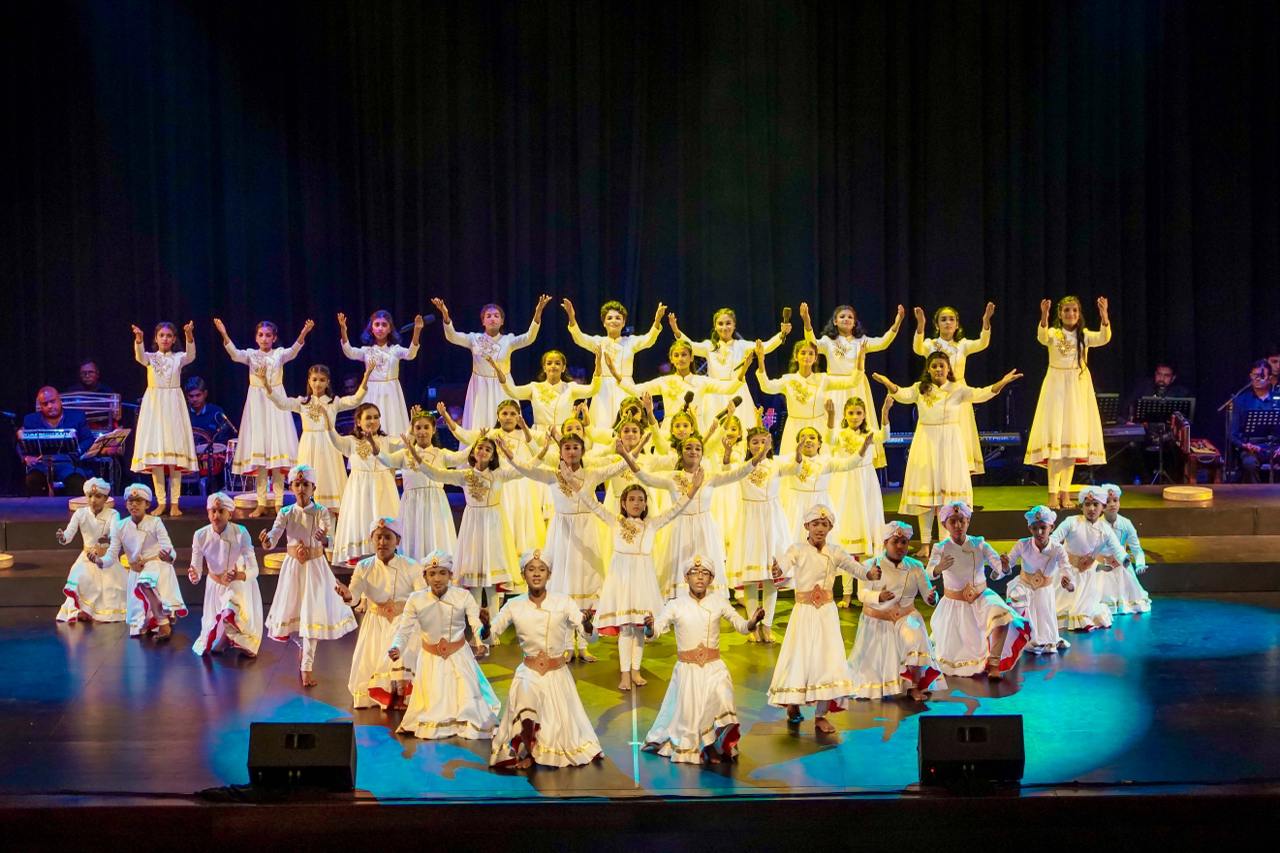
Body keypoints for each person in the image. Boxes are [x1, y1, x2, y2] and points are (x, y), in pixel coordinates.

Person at [872, 352, 1022, 556]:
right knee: (925, 494)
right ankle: (925, 543)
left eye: (941, 366)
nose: (938, 369)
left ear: (948, 368)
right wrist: (888, 383)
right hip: (926, 441)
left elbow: (982, 393)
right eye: (934, 366)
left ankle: (944, 543)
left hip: (950, 444)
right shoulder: (920, 388)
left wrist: (1002, 382)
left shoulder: (957, 389)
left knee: (946, 495)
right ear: (928, 369)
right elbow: (902, 394)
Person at [484, 550, 603, 769]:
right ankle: (527, 752)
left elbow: (591, 636)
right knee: (525, 698)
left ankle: (541, 748)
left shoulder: (562, 601)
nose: (536, 574)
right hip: (529, 671)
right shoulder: (514, 605)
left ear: (549, 574)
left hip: (557, 674)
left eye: (541, 570)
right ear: (523, 574)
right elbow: (492, 633)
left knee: (559, 734)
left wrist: (586, 625)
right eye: (531, 569)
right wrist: (484, 627)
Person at [583, 469, 699, 691]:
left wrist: (693, 490)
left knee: (639, 628)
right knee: (626, 628)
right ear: (623, 504)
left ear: (646, 504)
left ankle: (636, 670)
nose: (636, 503)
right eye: (631, 499)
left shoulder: (652, 524)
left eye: (640, 500)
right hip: (622, 580)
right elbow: (592, 504)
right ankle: (625, 673)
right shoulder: (615, 521)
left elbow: (676, 509)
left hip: (643, 580)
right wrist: (575, 484)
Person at [642, 555, 766, 764]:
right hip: (688, 670)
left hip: (713, 668)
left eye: (705, 574)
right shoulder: (676, 605)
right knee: (692, 718)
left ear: (711, 578)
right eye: (694, 573)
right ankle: (705, 748)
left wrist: (752, 621)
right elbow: (656, 631)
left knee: (722, 698)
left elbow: (741, 626)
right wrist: (649, 627)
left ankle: (716, 747)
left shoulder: (718, 601)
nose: (699, 578)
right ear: (686, 577)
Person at [767, 504, 879, 734]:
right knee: (800, 658)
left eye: (824, 524)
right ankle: (793, 702)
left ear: (830, 528)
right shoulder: (797, 549)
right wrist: (778, 570)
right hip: (804, 613)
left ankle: (820, 715)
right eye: (815, 524)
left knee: (828, 659)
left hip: (826, 613)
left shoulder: (835, 551)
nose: (820, 528)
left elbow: (855, 568)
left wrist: (869, 574)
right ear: (806, 526)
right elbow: (785, 565)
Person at [261, 464, 357, 687]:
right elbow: (274, 537)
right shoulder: (286, 512)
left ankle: (306, 667)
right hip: (293, 569)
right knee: (294, 616)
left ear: (313, 487)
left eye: (306, 484)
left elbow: (329, 539)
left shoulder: (321, 511)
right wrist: (267, 542)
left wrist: (323, 538)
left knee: (311, 616)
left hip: (315, 568)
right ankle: (301, 646)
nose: (301, 488)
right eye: (297, 484)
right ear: (291, 487)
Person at [389, 552, 500, 741]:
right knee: (433, 708)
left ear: (450, 575)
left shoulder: (462, 596)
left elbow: (475, 624)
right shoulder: (416, 599)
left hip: (459, 656)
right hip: (431, 660)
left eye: (442, 573)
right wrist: (397, 647)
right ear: (425, 576)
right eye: (432, 574)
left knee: (470, 706)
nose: (437, 579)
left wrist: (481, 640)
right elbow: (404, 630)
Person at [214, 318, 313, 516]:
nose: (264, 338)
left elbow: (294, 350)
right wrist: (224, 333)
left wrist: (304, 332)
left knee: (276, 455)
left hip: (276, 401)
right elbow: (235, 355)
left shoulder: (279, 354)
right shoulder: (251, 355)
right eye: (261, 335)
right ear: (256, 337)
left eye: (268, 335)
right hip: (257, 403)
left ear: (274, 338)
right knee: (259, 456)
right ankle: (261, 502)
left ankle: (277, 502)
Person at [1024, 296, 1113, 509]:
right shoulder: (1055, 334)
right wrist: (1044, 316)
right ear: (1060, 313)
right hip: (1056, 388)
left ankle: (1065, 493)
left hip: (1077, 389)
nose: (1070, 314)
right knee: (1056, 443)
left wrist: (1104, 315)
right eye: (1066, 310)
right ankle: (1053, 493)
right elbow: (1042, 336)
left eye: (1074, 310)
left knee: (1072, 445)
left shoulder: (1084, 335)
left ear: (1079, 313)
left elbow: (1104, 338)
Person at [925, 501, 1030, 680]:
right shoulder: (941, 547)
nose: (958, 525)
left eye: (962, 521)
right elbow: (929, 573)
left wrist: (1004, 567)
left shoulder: (979, 543)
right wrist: (938, 568)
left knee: (1002, 615)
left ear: (968, 521)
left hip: (981, 597)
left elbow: (999, 568)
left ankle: (994, 664)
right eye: (953, 521)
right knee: (956, 651)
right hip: (955, 603)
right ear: (945, 525)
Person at [848, 521, 945, 701]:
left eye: (904, 542)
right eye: (895, 542)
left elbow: (927, 594)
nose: (900, 547)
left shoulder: (915, 566)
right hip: (878, 619)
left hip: (906, 616)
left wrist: (933, 598)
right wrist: (878, 597)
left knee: (916, 638)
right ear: (885, 543)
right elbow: (862, 594)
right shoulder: (870, 564)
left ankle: (915, 685)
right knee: (871, 677)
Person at [800, 301, 905, 467]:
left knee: (857, 420)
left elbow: (883, 342)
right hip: (835, 386)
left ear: (855, 322)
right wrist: (806, 321)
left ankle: (859, 460)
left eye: (850, 317)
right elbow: (812, 344)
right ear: (835, 321)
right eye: (842, 316)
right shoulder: (828, 341)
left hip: (856, 386)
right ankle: (833, 462)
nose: (846, 319)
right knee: (834, 420)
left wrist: (897, 322)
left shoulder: (861, 341)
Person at [336, 518, 424, 710]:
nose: (382, 542)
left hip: (404, 621)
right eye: (378, 537)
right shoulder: (364, 566)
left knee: (402, 649)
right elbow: (355, 596)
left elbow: (422, 597)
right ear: (371, 539)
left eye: (387, 537)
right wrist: (347, 594)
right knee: (372, 662)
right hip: (375, 622)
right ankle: (387, 693)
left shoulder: (411, 566)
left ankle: (402, 693)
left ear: (397, 541)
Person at [433, 295, 551, 430]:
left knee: (507, 421)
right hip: (480, 387)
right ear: (483, 321)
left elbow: (529, 338)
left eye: (496, 316)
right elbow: (452, 336)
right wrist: (445, 314)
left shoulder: (509, 340)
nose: (492, 318)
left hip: (504, 386)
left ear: (502, 321)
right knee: (480, 425)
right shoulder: (474, 339)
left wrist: (538, 311)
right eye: (488, 316)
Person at [267, 363, 370, 511]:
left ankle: (330, 510)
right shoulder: (302, 402)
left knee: (328, 475)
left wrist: (365, 379)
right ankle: (308, 507)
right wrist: (266, 385)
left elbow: (355, 400)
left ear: (327, 382)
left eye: (322, 380)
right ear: (309, 381)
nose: (318, 383)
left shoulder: (333, 402)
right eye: (314, 379)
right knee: (308, 475)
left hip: (329, 443)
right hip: (308, 443)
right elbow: (282, 403)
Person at [668, 306, 792, 427]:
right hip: (714, 393)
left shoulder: (742, 346)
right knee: (714, 431)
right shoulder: (709, 346)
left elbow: (766, 347)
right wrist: (676, 330)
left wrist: (781, 334)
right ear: (715, 327)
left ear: (734, 326)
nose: (724, 327)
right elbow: (691, 346)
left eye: (728, 323)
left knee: (740, 429)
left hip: (737, 392)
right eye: (720, 324)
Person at [912, 303, 995, 473]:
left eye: (951, 319)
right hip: (935, 397)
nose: (948, 323)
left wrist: (986, 321)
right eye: (943, 320)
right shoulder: (930, 344)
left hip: (957, 396)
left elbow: (983, 343)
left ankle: (961, 492)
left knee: (961, 440)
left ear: (957, 324)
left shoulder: (962, 345)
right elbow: (917, 348)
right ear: (937, 325)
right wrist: (920, 325)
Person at [129, 320, 198, 516]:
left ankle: (175, 502)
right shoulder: (150, 358)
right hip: (155, 405)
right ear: (156, 339)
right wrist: (139, 339)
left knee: (173, 454)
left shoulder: (178, 357)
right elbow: (139, 356)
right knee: (157, 456)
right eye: (161, 336)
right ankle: (161, 502)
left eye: (169, 336)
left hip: (174, 405)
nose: (165, 339)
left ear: (174, 339)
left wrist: (189, 335)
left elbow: (191, 355)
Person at [562, 297, 667, 425]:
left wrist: (657, 321)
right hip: (602, 390)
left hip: (626, 387)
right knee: (602, 424)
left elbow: (649, 340)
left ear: (623, 323)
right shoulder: (598, 342)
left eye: (618, 318)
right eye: (609, 318)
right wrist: (571, 317)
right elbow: (579, 338)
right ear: (604, 322)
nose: (614, 321)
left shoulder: (631, 341)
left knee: (627, 424)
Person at [377, 407, 464, 561]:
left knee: (436, 536)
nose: (422, 432)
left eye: (426, 427)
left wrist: (478, 441)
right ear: (413, 429)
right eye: (418, 427)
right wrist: (372, 443)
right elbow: (387, 460)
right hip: (412, 503)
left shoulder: (441, 454)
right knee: (413, 538)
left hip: (435, 502)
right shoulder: (405, 454)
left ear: (434, 429)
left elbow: (461, 457)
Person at [323, 404, 401, 564]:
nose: (373, 421)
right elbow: (334, 439)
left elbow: (404, 442)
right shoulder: (351, 441)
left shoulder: (386, 440)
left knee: (383, 516)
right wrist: (328, 423)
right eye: (368, 417)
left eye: (376, 417)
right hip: (360, 487)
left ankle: (385, 552)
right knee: (359, 516)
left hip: (383, 486)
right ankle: (357, 552)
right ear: (358, 422)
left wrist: (413, 428)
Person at [189, 492, 263, 657]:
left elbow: (254, 569)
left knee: (230, 609)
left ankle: (234, 637)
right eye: (213, 511)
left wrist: (239, 576)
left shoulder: (241, 532)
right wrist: (194, 576)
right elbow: (196, 569)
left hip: (236, 585)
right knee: (214, 647)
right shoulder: (200, 535)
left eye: (221, 511)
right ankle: (225, 639)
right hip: (214, 587)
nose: (216, 515)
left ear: (230, 513)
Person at [1049, 486, 1127, 632]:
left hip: (1087, 573)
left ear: (1103, 507)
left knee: (1085, 604)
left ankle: (1083, 616)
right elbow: (1054, 539)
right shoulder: (1071, 522)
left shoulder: (1104, 528)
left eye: (1095, 504)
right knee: (1061, 603)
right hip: (1068, 570)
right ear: (1081, 506)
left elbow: (1117, 548)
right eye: (1087, 504)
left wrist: (1124, 559)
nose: (1091, 508)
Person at [338, 309, 426, 438]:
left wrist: (417, 330)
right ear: (371, 328)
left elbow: (411, 354)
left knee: (392, 425)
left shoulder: (395, 350)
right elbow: (350, 352)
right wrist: (343, 331)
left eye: (384, 325)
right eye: (377, 324)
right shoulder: (367, 351)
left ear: (390, 329)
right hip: (371, 392)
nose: (380, 328)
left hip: (391, 392)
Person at [116, 483, 188, 640]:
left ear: (147, 504)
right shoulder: (120, 526)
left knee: (146, 582)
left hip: (157, 566)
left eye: (138, 501)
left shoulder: (155, 522)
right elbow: (112, 553)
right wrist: (101, 561)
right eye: (130, 501)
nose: (134, 504)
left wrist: (168, 557)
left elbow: (168, 547)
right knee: (140, 625)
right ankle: (155, 617)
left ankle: (163, 623)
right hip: (137, 570)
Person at [1003, 506, 1074, 655]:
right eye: (1035, 528)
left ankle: (1045, 639)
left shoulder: (1057, 549)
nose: (1039, 532)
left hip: (1044, 591)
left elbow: (1065, 568)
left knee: (1044, 617)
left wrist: (1068, 582)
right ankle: (1024, 638)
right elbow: (1007, 566)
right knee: (1018, 601)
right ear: (1030, 528)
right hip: (1024, 587)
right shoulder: (1023, 544)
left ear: (1051, 527)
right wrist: (1004, 566)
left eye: (1043, 527)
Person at [54, 477, 126, 624]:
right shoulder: (80, 514)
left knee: (109, 586)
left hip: (105, 557)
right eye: (90, 496)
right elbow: (69, 534)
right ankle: (83, 610)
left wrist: (104, 542)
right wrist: (63, 537)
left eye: (98, 496)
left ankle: (98, 612)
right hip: (86, 558)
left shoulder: (113, 514)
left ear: (106, 498)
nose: (93, 500)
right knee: (80, 577)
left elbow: (114, 535)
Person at [20, 386, 94, 496]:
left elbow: (88, 438)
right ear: (40, 406)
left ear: (60, 400)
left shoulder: (77, 417)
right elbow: (20, 444)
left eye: (53, 401)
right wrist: (25, 458)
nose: (50, 406)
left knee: (77, 482)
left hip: (68, 463)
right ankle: (39, 512)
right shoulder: (30, 420)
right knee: (32, 480)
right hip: (41, 464)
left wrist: (77, 451)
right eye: (45, 404)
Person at [1098, 484, 1151, 615]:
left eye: (1115, 501)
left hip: (1122, 565)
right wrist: (1102, 560)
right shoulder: (1096, 524)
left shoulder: (1125, 523)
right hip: (1102, 566)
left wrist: (1140, 564)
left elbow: (1136, 549)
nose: (1112, 505)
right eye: (1108, 502)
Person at [1230, 361, 1278, 482]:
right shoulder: (1241, 401)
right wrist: (1244, 445)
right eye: (1253, 375)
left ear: (1270, 378)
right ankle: (1257, 497)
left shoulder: (1277, 399)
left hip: (1275, 446)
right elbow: (1233, 434)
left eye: (1261, 376)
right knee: (1249, 463)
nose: (1256, 379)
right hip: (1251, 447)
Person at [1124, 362, 1192, 421]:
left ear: (1173, 378)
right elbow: (1126, 408)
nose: (1161, 379)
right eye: (1159, 374)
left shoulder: (1181, 393)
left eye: (1166, 376)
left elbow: (1186, 420)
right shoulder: (1143, 387)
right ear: (1155, 374)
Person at [185, 377, 234, 443]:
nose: (194, 399)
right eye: (191, 396)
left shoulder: (216, 412)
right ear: (186, 396)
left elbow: (224, 440)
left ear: (205, 394)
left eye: (198, 395)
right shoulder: (183, 413)